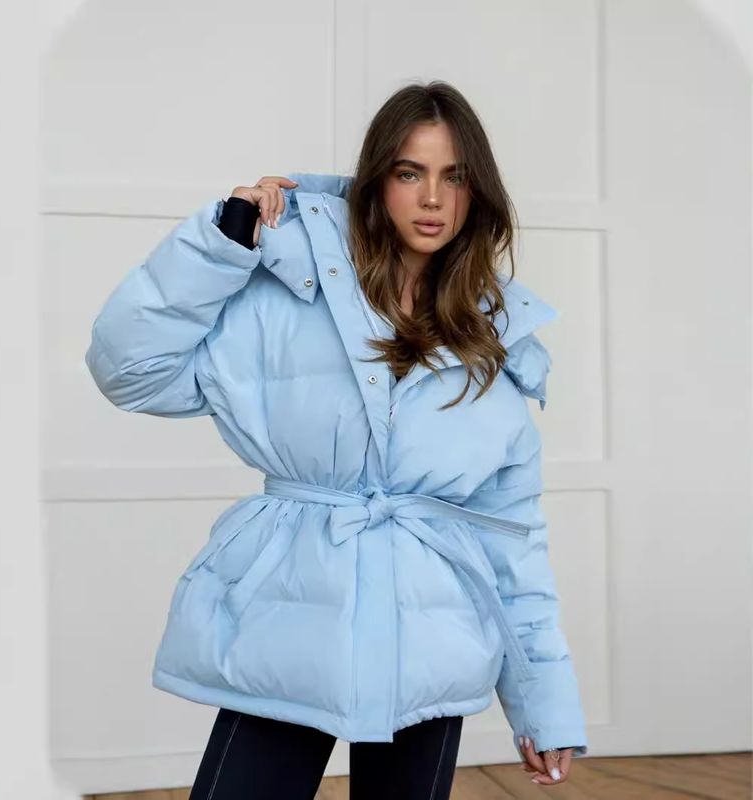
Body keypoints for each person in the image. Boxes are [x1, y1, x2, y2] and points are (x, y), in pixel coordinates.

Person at [85, 80, 588, 798]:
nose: (433, 199)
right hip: (291, 617)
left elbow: (513, 543)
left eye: (454, 177)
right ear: (376, 180)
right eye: (409, 173)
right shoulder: (284, 292)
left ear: (478, 193)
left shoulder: (496, 340)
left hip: (433, 640)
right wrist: (220, 242)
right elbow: (130, 372)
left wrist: (544, 703)